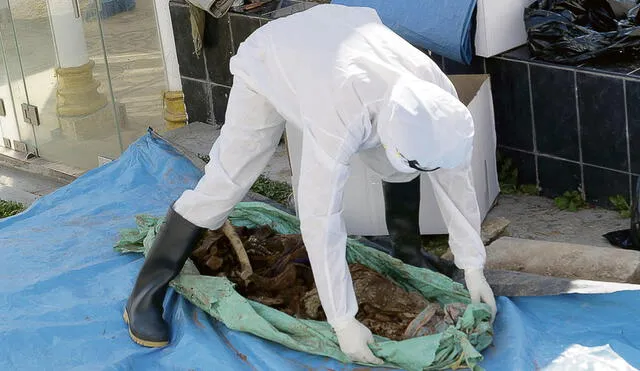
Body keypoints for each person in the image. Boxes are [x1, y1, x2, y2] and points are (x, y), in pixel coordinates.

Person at [123, 3, 497, 365]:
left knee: (399, 169)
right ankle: (145, 293)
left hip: (333, 40)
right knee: (226, 183)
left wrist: (472, 265)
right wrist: (343, 319)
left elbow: (455, 179)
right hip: (273, 61)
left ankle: (408, 254)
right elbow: (321, 219)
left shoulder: (438, 100)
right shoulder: (340, 113)